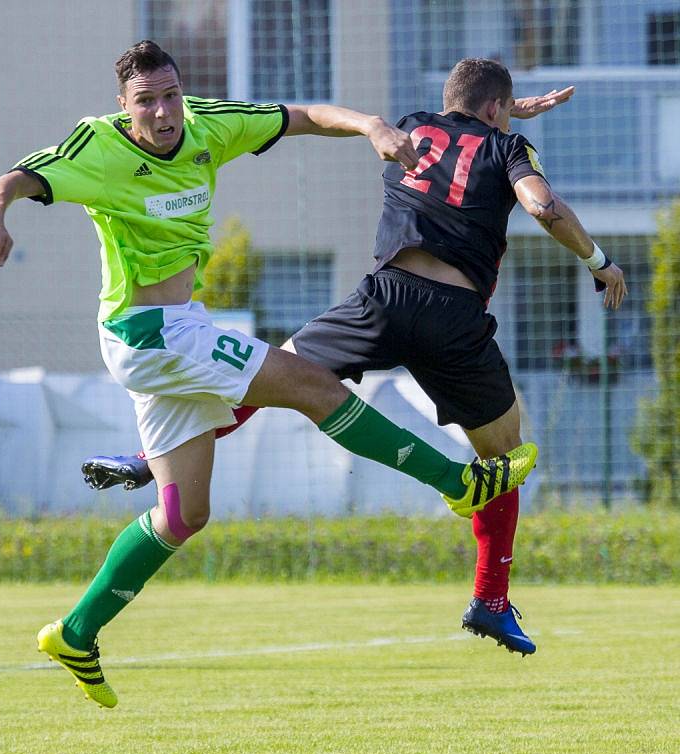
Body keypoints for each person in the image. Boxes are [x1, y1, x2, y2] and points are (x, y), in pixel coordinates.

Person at [0, 42, 538, 708]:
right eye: (146, 100)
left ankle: (75, 633)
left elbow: (303, 116)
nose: (163, 111)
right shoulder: (97, 148)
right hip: (149, 333)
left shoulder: (207, 123)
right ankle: (459, 483)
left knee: (184, 515)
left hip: (176, 330)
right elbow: (9, 180)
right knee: (313, 386)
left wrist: (371, 127)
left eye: (170, 94)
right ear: (123, 107)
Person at [84, 57, 628, 660]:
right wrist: (599, 262)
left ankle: (145, 459)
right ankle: (490, 600)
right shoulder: (509, 149)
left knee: (276, 376)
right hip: (455, 320)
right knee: (502, 461)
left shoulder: (413, 126)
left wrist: (504, 113)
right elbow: (542, 206)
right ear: (499, 111)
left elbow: (462, 128)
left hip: (383, 297)